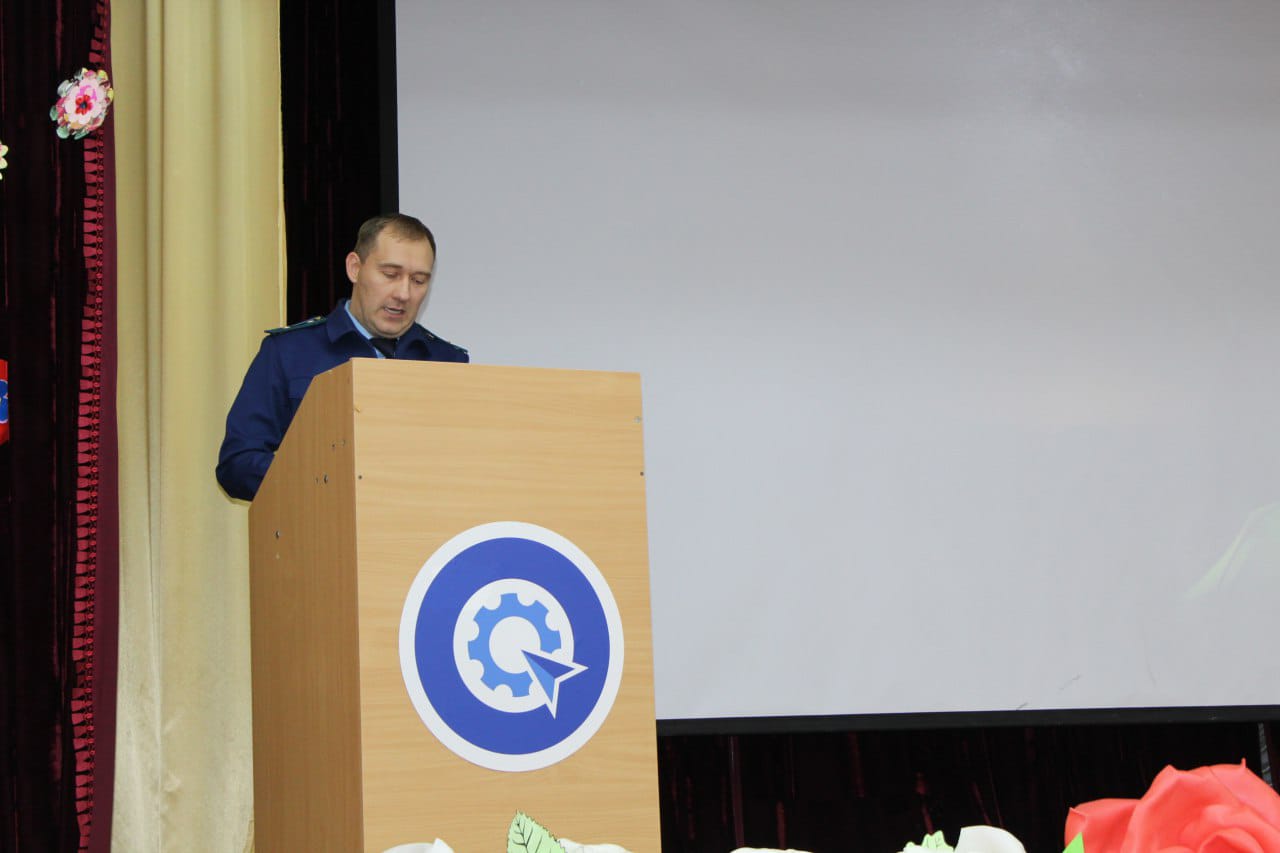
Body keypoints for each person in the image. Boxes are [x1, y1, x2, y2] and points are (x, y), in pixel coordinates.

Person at [216, 213, 469, 501]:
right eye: (390, 274)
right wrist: (323, 479)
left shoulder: (448, 361)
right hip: (320, 523)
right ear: (355, 268)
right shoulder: (289, 351)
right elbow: (237, 464)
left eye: (419, 280)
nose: (404, 293)